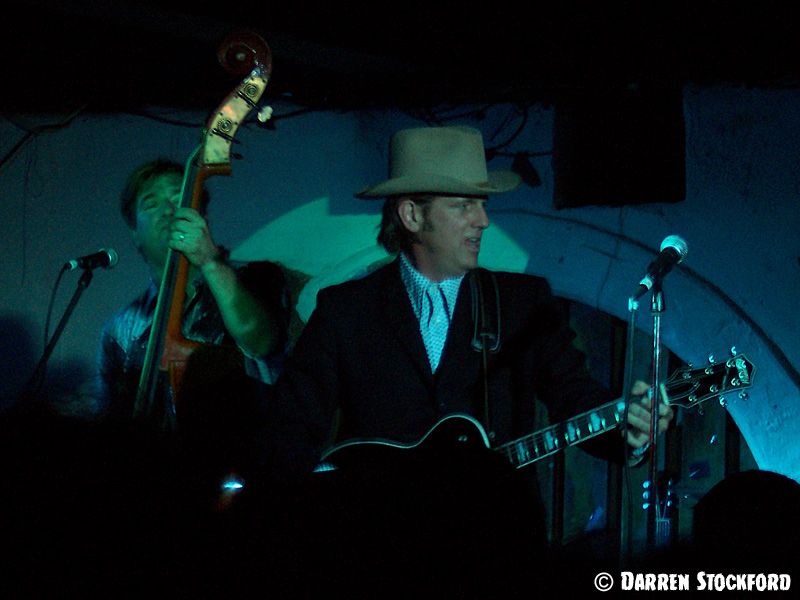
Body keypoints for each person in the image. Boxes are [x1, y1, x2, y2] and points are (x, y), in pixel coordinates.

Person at [260, 126, 673, 595]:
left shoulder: (522, 303)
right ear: (412, 215)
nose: (483, 221)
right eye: (463, 206)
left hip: (497, 552)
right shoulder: (347, 311)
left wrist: (631, 430)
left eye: (483, 205)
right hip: (379, 559)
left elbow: (574, 396)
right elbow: (288, 431)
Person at [96, 158, 289, 485]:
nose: (169, 210)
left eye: (180, 197)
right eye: (151, 204)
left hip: (248, 478)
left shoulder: (259, 278)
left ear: (202, 214)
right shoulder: (120, 329)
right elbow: (113, 425)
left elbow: (261, 343)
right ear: (134, 234)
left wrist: (209, 261)